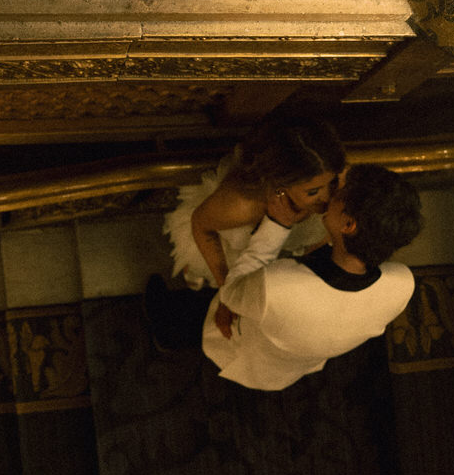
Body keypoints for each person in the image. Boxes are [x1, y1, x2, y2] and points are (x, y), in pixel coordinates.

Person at [147, 164, 423, 391]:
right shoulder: (402, 284)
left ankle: (169, 330)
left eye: (340, 192)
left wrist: (277, 225)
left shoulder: (280, 287)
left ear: (349, 224)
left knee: (195, 319)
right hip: (299, 352)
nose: (331, 194)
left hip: (248, 344)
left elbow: (233, 290)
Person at [163, 119, 347, 289]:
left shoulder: (330, 175)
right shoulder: (243, 205)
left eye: (332, 183)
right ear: (282, 183)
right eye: (313, 192)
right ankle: (195, 275)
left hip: (281, 251)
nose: (327, 197)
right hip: (234, 248)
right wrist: (225, 285)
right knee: (203, 271)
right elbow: (200, 225)